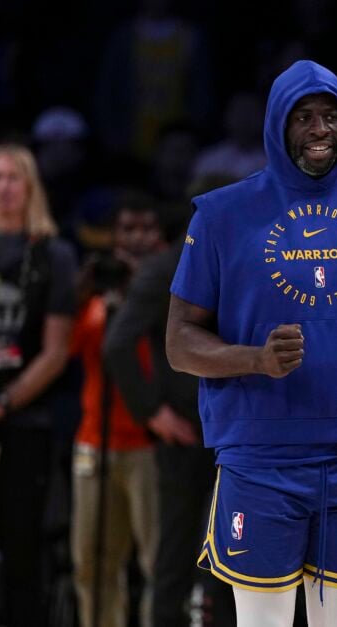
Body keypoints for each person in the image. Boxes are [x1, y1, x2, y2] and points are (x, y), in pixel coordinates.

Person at [165, 60, 337, 627]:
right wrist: (254, 360)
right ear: (276, 124)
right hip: (260, 459)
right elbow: (179, 342)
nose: (320, 129)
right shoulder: (221, 215)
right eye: (303, 117)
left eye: (331, 116)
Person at [0, 143, 77, 626]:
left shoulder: (55, 255)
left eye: (13, 177)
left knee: (23, 557)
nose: (3, 187)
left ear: (31, 188)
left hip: (25, 422)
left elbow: (55, 353)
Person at [103, 182, 237, 627]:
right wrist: (152, 412)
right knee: (185, 552)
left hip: (229, 428)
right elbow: (118, 344)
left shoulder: (241, 258)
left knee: (202, 551)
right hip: (195, 428)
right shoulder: (167, 267)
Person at [70, 192, 165, 627]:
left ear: (160, 237)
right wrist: (81, 292)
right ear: (114, 237)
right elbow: (65, 353)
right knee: (92, 564)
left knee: (158, 563)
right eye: (128, 229)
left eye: (147, 229)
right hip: (96, 441)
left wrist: (139, 292)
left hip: (152, 446)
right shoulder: (96, 300)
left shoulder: (170, 296)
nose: (137, 238)